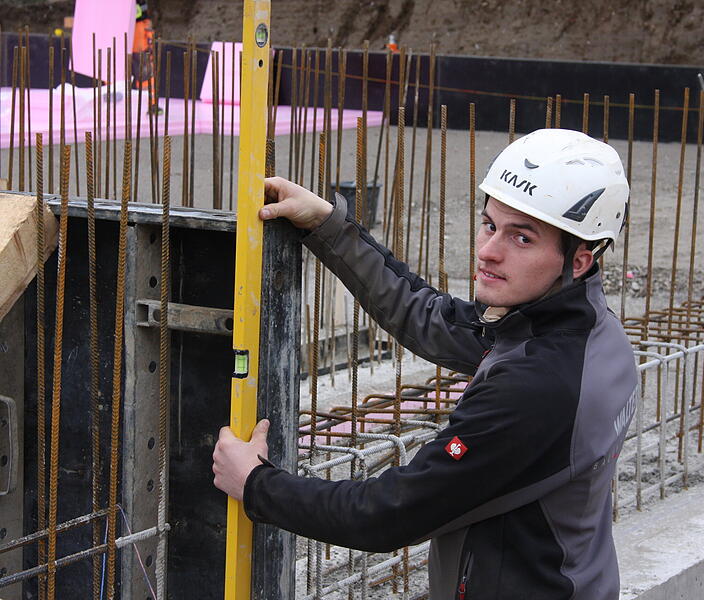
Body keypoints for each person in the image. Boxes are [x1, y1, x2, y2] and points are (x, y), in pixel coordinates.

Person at [213, 128, 639, 599]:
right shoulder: (589, 331)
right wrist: (328, 224)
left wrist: (255, 483)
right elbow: (427, 316)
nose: (487, 250)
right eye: (489, 224)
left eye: (522, 237)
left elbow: (389, 513)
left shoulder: (539, 385)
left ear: (579, 260)